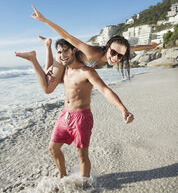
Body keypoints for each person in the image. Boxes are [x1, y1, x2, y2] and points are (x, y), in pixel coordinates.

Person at [15, 39, 134, 181]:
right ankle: (63, 176)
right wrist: (45, 50)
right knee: (53, 148)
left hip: (82, 117)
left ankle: (84, 185)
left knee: (82, 155)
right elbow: (48, 73)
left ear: (74, 50)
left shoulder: (87, 72)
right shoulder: (65, 71)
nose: (62, 55)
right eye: (59, 52)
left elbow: (105, 90)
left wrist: (123, 110)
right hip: (65, 115)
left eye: (65, 50)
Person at [31, 5, 159, 80]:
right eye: (113, 52)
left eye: (119, 56)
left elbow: (134, 48)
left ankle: (47, 45)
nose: (115, 58)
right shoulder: (92, 52)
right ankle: (47, 45)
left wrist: (151, 46)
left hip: (73, 68)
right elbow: (67, 36)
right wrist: (44, 20)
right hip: (65, 59)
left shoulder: (118, 51)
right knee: (46, 79)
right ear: (108, 48)